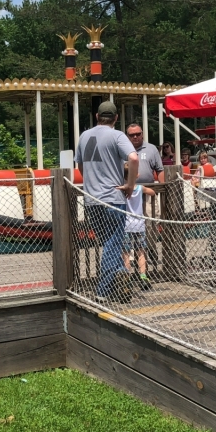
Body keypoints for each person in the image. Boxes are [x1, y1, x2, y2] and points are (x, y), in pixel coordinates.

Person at [74, 101, 138, 302]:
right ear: (116, 118)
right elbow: (134, 158)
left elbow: (81, 165)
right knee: (113, 245)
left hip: (91, 200)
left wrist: (91, 184)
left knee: (108, 245)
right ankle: (102, 292)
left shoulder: (84, 136)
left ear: (96, 116)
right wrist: (130, 184)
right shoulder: (117, 135)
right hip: (112, 199)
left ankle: (120, 284)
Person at [122, 182, 155, 289]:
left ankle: (127, 278)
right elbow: (152, 192)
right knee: (140, 252)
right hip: (139, 224)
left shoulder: (123, 189)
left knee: (126, 253)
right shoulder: (140, 188)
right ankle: (143, 277)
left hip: (127, 225)